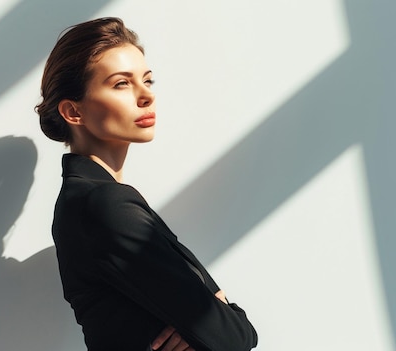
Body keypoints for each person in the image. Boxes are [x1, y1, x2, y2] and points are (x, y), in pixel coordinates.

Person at [35, 17, 258, 351]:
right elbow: (234, 338)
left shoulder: (92, 199)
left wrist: (214, 320)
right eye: (121, 84)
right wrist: (226, 311)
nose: (146, 97)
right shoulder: (105, 205)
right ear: (72, 111)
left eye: (148, 80)